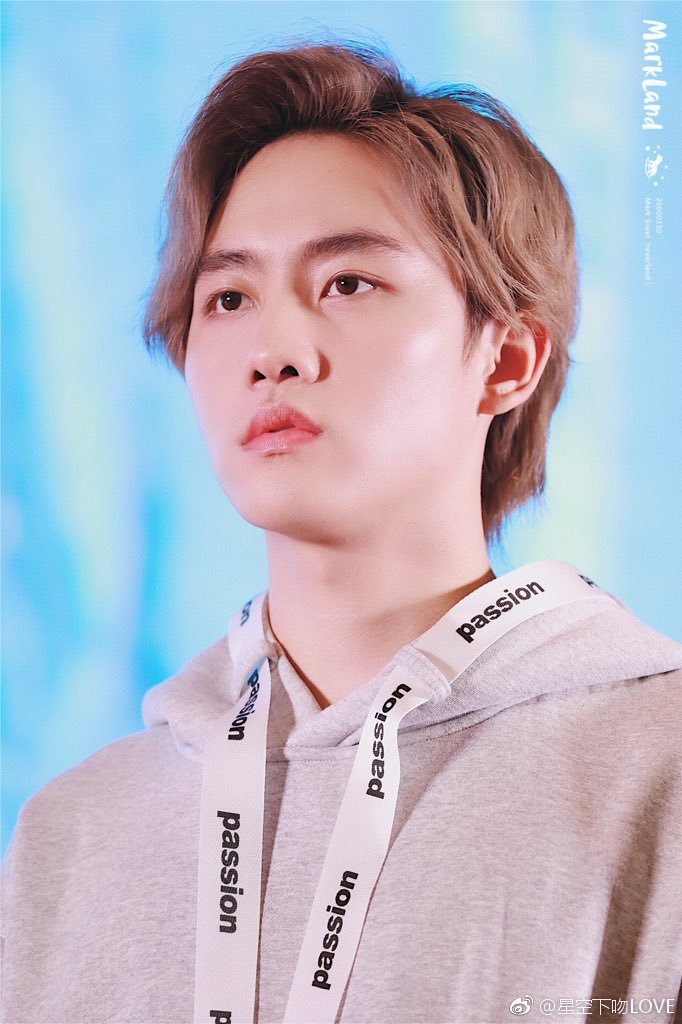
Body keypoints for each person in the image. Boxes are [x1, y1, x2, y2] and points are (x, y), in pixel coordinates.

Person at [2, 39, 681, 1024]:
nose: (272, 350)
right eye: (228, 298)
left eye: (348, 283)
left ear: (506, 360)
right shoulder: (70, 837)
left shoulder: (657, 766)